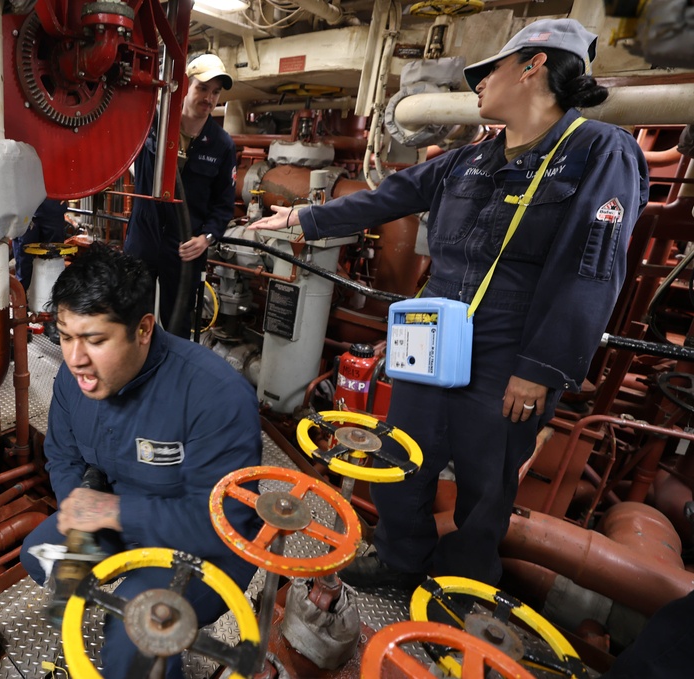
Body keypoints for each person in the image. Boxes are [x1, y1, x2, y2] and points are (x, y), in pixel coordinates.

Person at [251, 18, 649, 588]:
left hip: (511, 346)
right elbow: (388, 198)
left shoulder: (599, 150)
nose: (479, 85)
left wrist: (540, 368)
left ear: (532, 66)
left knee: (487, 481)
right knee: (403, 452)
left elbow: (591, 268)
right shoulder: (471, 158)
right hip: (434, 327)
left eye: (488, 72)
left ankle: (464, 584)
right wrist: (300, 216)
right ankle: (398, 556)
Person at [19, 243, 262, 678]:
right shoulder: (74, 379)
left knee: (134, 637)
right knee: (39, 556)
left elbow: (224, 523)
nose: (75, 359)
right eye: (66, 335)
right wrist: (76, 509)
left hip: (206, 545)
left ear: (144, 329)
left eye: (94, 340)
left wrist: (113, 510)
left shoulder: (216, 395)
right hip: (119, 517)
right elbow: (62, 454)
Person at [124, 53, 237, 337]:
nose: (209, 98)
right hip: (143, 238)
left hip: (186, 248)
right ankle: (135, 376)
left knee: (178, 326)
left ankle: (171, 377)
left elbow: (223, 207)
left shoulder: (222, 145)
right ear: (184, 86)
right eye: (202, 88)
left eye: (215, 93)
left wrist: (206, 239)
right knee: (132, 316)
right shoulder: (151, 123)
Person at [12, 197, 69, 289]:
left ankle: (51, 297)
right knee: (24, 259)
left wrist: (68, 193)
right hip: (25, 209)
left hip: (53, 207)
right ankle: (22, 298)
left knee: (53, 260)